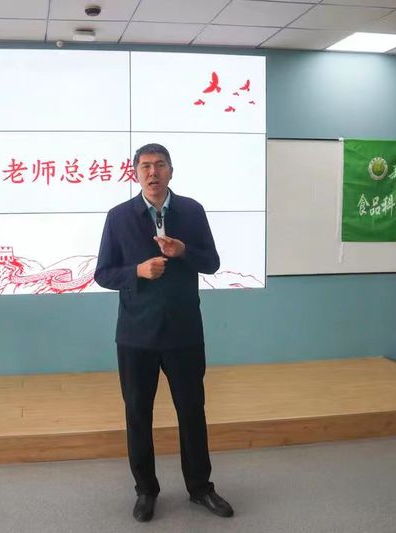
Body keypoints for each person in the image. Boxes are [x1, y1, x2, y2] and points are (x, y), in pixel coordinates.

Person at [94, 143, 233, 522]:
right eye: (145, 166)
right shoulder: (119, 216)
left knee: (192, 412)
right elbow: (103, 273)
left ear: (171, 170)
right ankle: (146, 490)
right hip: (136, 335)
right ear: (135, 173)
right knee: (138, 414)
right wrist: (137, 272)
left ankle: (200, 488)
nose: (152, 172)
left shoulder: (192, 211)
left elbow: (212, 263)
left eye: (159, 165)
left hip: (184, 332)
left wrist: (184, 250)